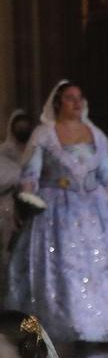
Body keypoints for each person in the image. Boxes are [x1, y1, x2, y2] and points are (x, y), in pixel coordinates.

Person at [10, 81, 108, 345]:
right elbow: (30, 175)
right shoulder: (45, 134)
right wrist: (27, 202)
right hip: (58, 209)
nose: (77, 102)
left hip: (96, 208)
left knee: (102, 267)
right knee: (66, 266)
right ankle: (68, 326)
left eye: (79, 97)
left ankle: (104, 327)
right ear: (59, 103)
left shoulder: (96, 133)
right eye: (71, 98)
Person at [0, 107, 34, 254]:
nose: (23, 129)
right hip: (8, 207)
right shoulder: (3, 152)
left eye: (25, 127)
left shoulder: (37, 150)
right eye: (20, 127)